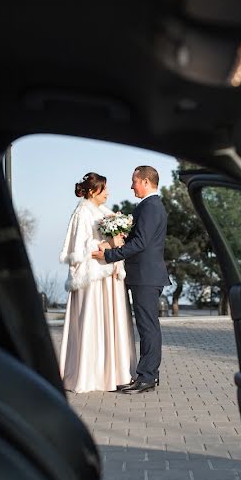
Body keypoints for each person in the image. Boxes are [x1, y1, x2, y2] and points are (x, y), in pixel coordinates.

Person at [92, 165, 170, 394]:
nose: (131, 186)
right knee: (147, 327)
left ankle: (146, 377)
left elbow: (140, 244)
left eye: (134, 181)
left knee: (148, 328)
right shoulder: (149, 206)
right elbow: (136, 238)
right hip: (144, 275)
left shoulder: (151, 207)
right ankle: (148, 375)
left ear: (146, 182)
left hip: (146, 276)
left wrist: (108, 256)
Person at [58, 172, 135, 393]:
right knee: (92, 321)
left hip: (107, 274)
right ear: (92, 191)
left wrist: (115, 241)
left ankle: (110, 372)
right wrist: (105, 246)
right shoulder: (82, 212)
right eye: (104, 189)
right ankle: (88, 374)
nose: (108, 193)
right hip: (92, 277)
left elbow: (112, 240)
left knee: (108, 322)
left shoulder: (104, 212)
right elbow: (80, 248)